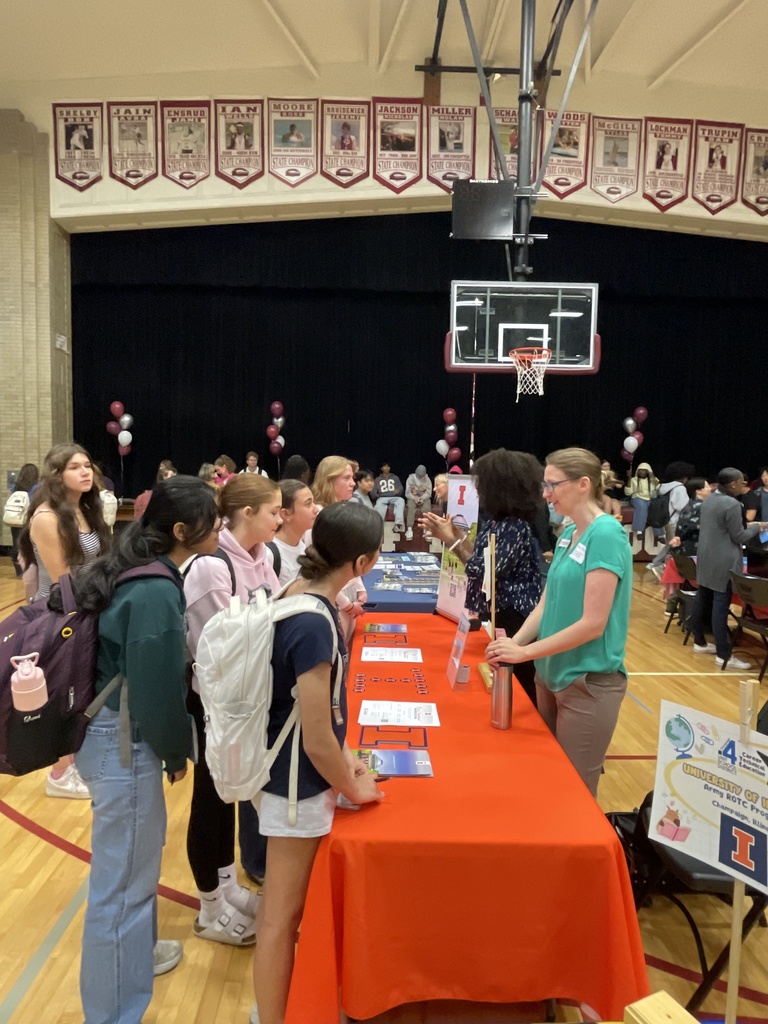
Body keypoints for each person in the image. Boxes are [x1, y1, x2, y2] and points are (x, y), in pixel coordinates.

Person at [71, 476, 219, 1022]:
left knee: (128, 881)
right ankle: (113, 1014)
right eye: (213, 520)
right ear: (182, 531)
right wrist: (178, 749)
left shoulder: (134, 569)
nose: (220, 528)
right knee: (122, 895)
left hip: (110, 739)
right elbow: (156, 689)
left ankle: (133, 971)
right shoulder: (155, 590)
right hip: (123, 743)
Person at [251, 502, 384, 1024]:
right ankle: (272, 1015)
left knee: (283, 915)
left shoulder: (301, 595)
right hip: (293, 787)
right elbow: (315, 736)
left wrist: (349, 766)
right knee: (280, 918)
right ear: (361, 563)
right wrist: (355, 788)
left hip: (291, 776)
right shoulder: (313, 622)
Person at [486, 448, 632, 798]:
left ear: (583, 484)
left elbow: (592, 624)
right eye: (545, 484)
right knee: (547, 783)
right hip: (549, 676)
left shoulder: (607, 535)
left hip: (586, 681)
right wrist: (513, 646)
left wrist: (525, 652)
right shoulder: (568, 533)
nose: (546, 493)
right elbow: (545, 605)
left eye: (553, 484)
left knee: (573, 796)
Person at [184, 475, 282, 943]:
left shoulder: (266, 557)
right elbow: (217, 649)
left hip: (247, 702)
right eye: (273, 511)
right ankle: (208, 908)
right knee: (209, 799)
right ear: (247, 514)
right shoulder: (212, 565)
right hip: (214, 704)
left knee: (229, 797)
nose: (279, 519)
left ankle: (226, 887)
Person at [19, 443, 111, 799]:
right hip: (61, 616)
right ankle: (59, 772)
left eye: (88, 465)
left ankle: (73, 764)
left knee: (82, 693)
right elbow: (63, 581)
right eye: (75, 467)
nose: (86, 472)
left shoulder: (87, 510)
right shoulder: (47, 516)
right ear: (57, 475)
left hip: (88, 610)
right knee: (64, 694)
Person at [422, 450, 543, 706]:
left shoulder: (515, 526)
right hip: (499, 613)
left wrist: (452, 540)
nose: (477, 488)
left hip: (514, 617)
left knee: (520, 685)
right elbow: (479, 557)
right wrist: (455, 535)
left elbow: (484, 570)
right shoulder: (496, 522)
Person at [689, 468, 766, 671]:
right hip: (724, 560)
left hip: (706, 556)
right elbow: (739, 536)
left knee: (703, 596)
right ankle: (724, 654)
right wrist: (757, 526)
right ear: (732, 484)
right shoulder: (732, 504)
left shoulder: (710, 499)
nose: (745, 485)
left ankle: (700, 642)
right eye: (742, 482)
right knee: (720, 604)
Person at [266, 479, 319, 586]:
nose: (316, 509)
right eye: (308, 504)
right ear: (285, 514)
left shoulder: (303, 548)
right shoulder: (268, 554)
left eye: (313, 502)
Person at [8, 462, 39, 576]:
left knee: (16, 541)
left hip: (15, 518)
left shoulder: (15, 487)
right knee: (28, 543)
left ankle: (18, 570)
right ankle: (28, 568)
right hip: (28, 519)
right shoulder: (37, 487)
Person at [624, 462, 660, 544]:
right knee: (642, 506)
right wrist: (629, 478)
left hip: (649, 499)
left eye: (644, 470)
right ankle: (639, 531)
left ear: (647, 471)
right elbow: (628, 493)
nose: (641, 472)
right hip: (636, 498)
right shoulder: (633, 480)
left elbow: (658, 488)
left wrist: (652, 478)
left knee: (656, 507)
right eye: (640, 470)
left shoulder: (651, 480)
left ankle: (659, 534)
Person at [372, 462, 405, 533]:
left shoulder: (395, 478)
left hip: (394, 497)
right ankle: (379, 524)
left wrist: (398, 491)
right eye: (385, 466)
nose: (386, 468)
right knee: (380, 504)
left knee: (401, 500)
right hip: (382, 497)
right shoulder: (378, 479)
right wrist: (377, 495)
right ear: (381, 468)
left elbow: (400, 488)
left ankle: (398, 524)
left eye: (388, 466)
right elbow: (373, 491)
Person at [404, 465, 432, 541]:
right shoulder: (410, 479)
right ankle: (409, 529)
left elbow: (429, 493)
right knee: (410, 507)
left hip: (424, 498)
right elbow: (407, 493)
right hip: (412, 498)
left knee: (427, 507)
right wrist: (414, 498)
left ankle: (427, 528)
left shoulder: (427, 479)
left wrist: (422, 498)